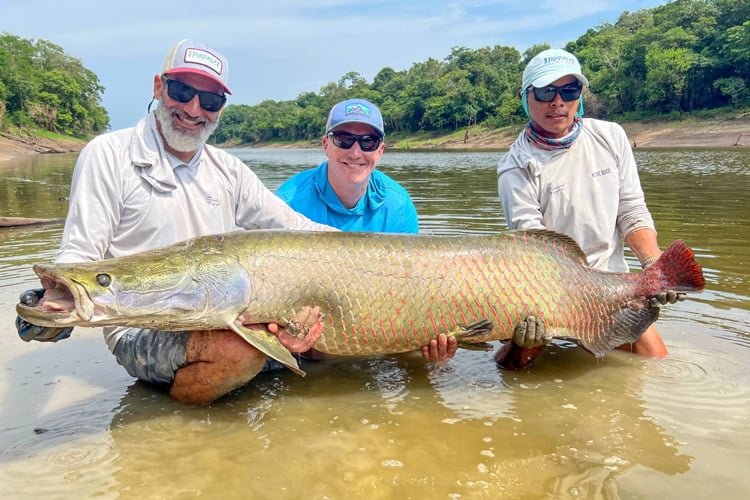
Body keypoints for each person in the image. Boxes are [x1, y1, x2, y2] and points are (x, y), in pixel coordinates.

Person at [15, 41, 453, 404]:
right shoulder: (107, 155)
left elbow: (297, 231)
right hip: (143, 324)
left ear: (220, 107)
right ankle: (172, 423)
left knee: (292, 342)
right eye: (182, 91)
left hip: (218, 311)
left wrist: (386, 271)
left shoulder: (228, 169)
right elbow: (79, 257)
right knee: (241, 351)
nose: (193, 108)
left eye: (209, 100)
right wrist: (52, 306)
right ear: (158, 86)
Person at [495, 48, 684, 369]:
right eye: (545, 92)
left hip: (613, 285)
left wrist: (654, 265)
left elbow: (632, 211)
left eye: (569, 91)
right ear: (525, 97)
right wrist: (578, 301)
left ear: (579, 95)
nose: (558, 101)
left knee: (657, 366)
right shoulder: (516, 166)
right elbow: (536, 248)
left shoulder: (610, 136)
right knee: (516, 364)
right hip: (551, 288)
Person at [276, 98, 457, 362]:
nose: (356, 152)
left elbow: (410, 288)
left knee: (427, 359)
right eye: (344, 139)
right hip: (312, 323)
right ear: (326, 144)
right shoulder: (288, 202)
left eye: (368, 141)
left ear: (380, 150)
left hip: (378, 315)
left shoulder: (398, 205)